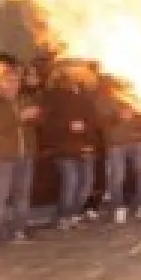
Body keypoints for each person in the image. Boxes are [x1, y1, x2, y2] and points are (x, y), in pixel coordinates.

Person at [0, 60, 41, 243]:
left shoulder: (23, 99)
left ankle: (20, 228)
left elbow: (39, 121)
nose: (14, 85)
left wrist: (37, 115)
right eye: (9, 81)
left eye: (16, 81)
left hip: (25, 153)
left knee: (23, 194)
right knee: (1, 195)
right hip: (2, 155)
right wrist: (20, 117)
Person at [39, 63, 101, 229]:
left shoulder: (85, 98)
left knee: (86, 184)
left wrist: (90, 142)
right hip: (63, 147)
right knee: (71, 182)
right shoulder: (53, 98)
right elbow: (47, 124)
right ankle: (63, 217)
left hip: (84, 147)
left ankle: (74, 214)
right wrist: (68, 125)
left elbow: (93, 122)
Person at [98, 78, 141, 224]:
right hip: (116, 143)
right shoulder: (104, 95)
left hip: (137, 140)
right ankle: (119, 207)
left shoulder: (134, 93)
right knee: (117, 177)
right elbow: (99, 120)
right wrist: (117, 116)